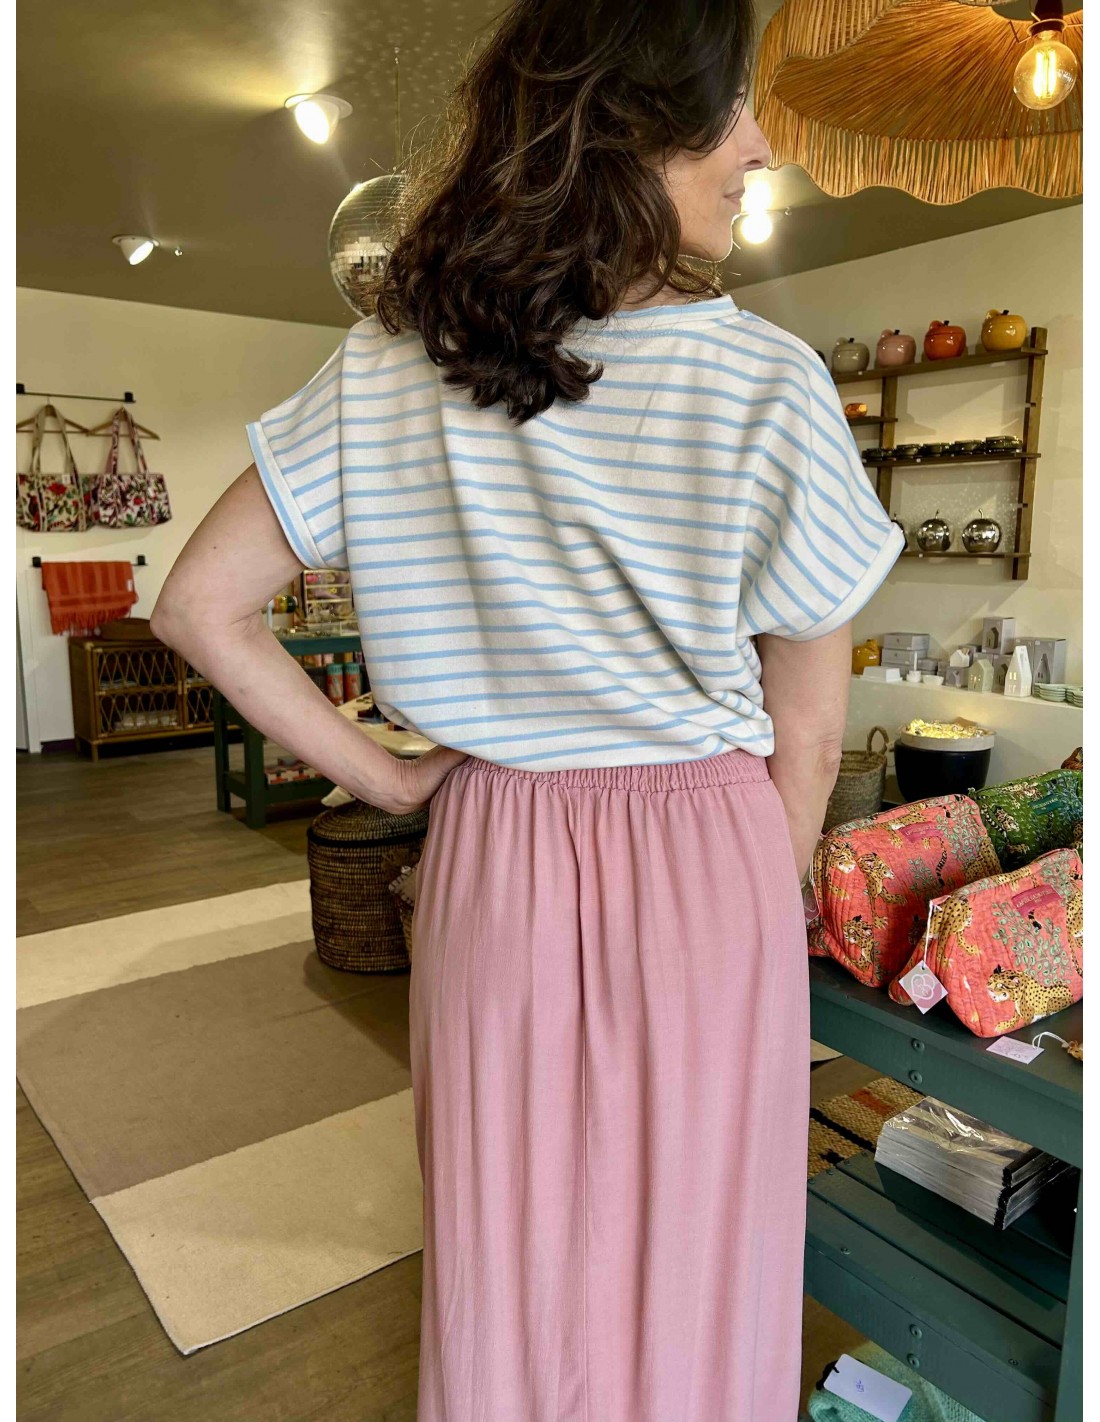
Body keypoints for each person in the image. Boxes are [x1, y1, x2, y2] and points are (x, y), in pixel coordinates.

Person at [152, 0, 905, 1416]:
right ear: (630, 127)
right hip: (710, 853)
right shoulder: (769, 382)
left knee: (505, 1241)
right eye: (733, 107)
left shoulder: (390, 362)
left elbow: (199, 607)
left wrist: (388, 780)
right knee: (699, 1241)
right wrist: (754, 903)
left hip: (493, 846)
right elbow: (808, 739)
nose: (761, 145)